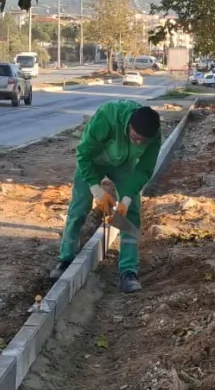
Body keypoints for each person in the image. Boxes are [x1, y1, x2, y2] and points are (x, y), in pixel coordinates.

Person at [50, 100, 162, 293]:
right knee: (79, 207)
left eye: (142, 141)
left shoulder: (154, 135)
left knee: (131, 213)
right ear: (129, 126)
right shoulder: (108, 117)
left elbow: (144, 169)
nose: (138, 143)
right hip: (93, 162)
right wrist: (96, 189)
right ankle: (66, 259)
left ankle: (128, 271)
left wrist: (126, 200)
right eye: (135, 137)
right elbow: (83, 153)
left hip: (124, 165)